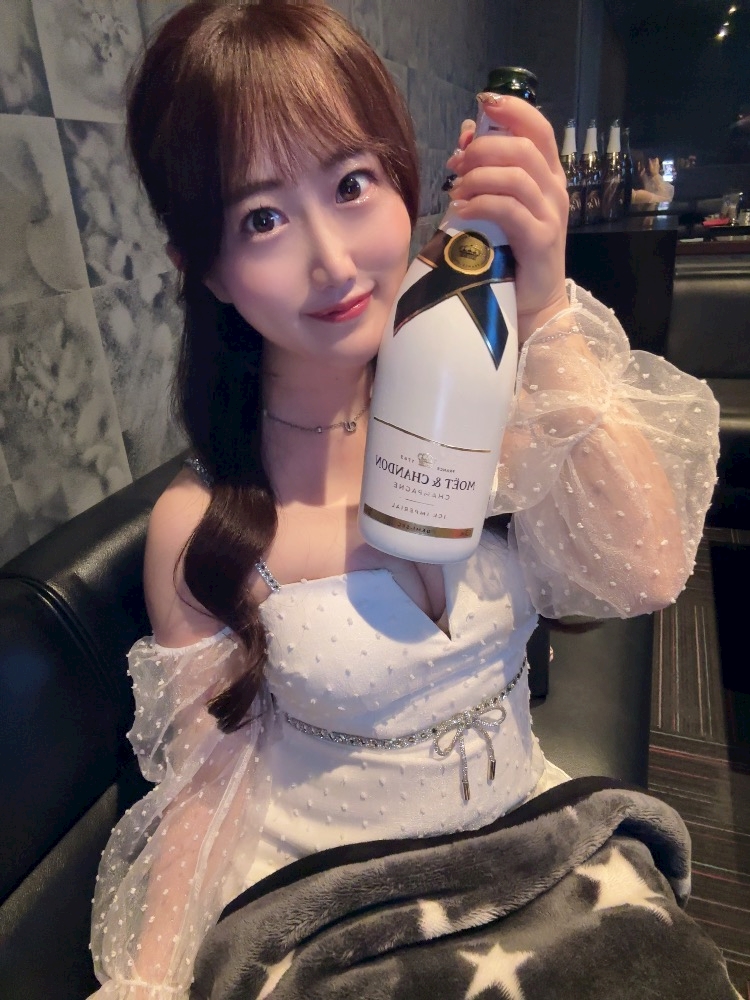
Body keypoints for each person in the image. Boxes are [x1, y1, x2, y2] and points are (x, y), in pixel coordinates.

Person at [88, 2, 720, 997]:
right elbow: (202, 800)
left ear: (405, 182)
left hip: (530, 858)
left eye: (351, 184)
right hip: (343, 919)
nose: (334, 261)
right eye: (262, 218)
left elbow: (645, 573)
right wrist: (150, 987)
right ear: (203, 269)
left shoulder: (489, 392)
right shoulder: (203, 529)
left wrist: (546, 305)